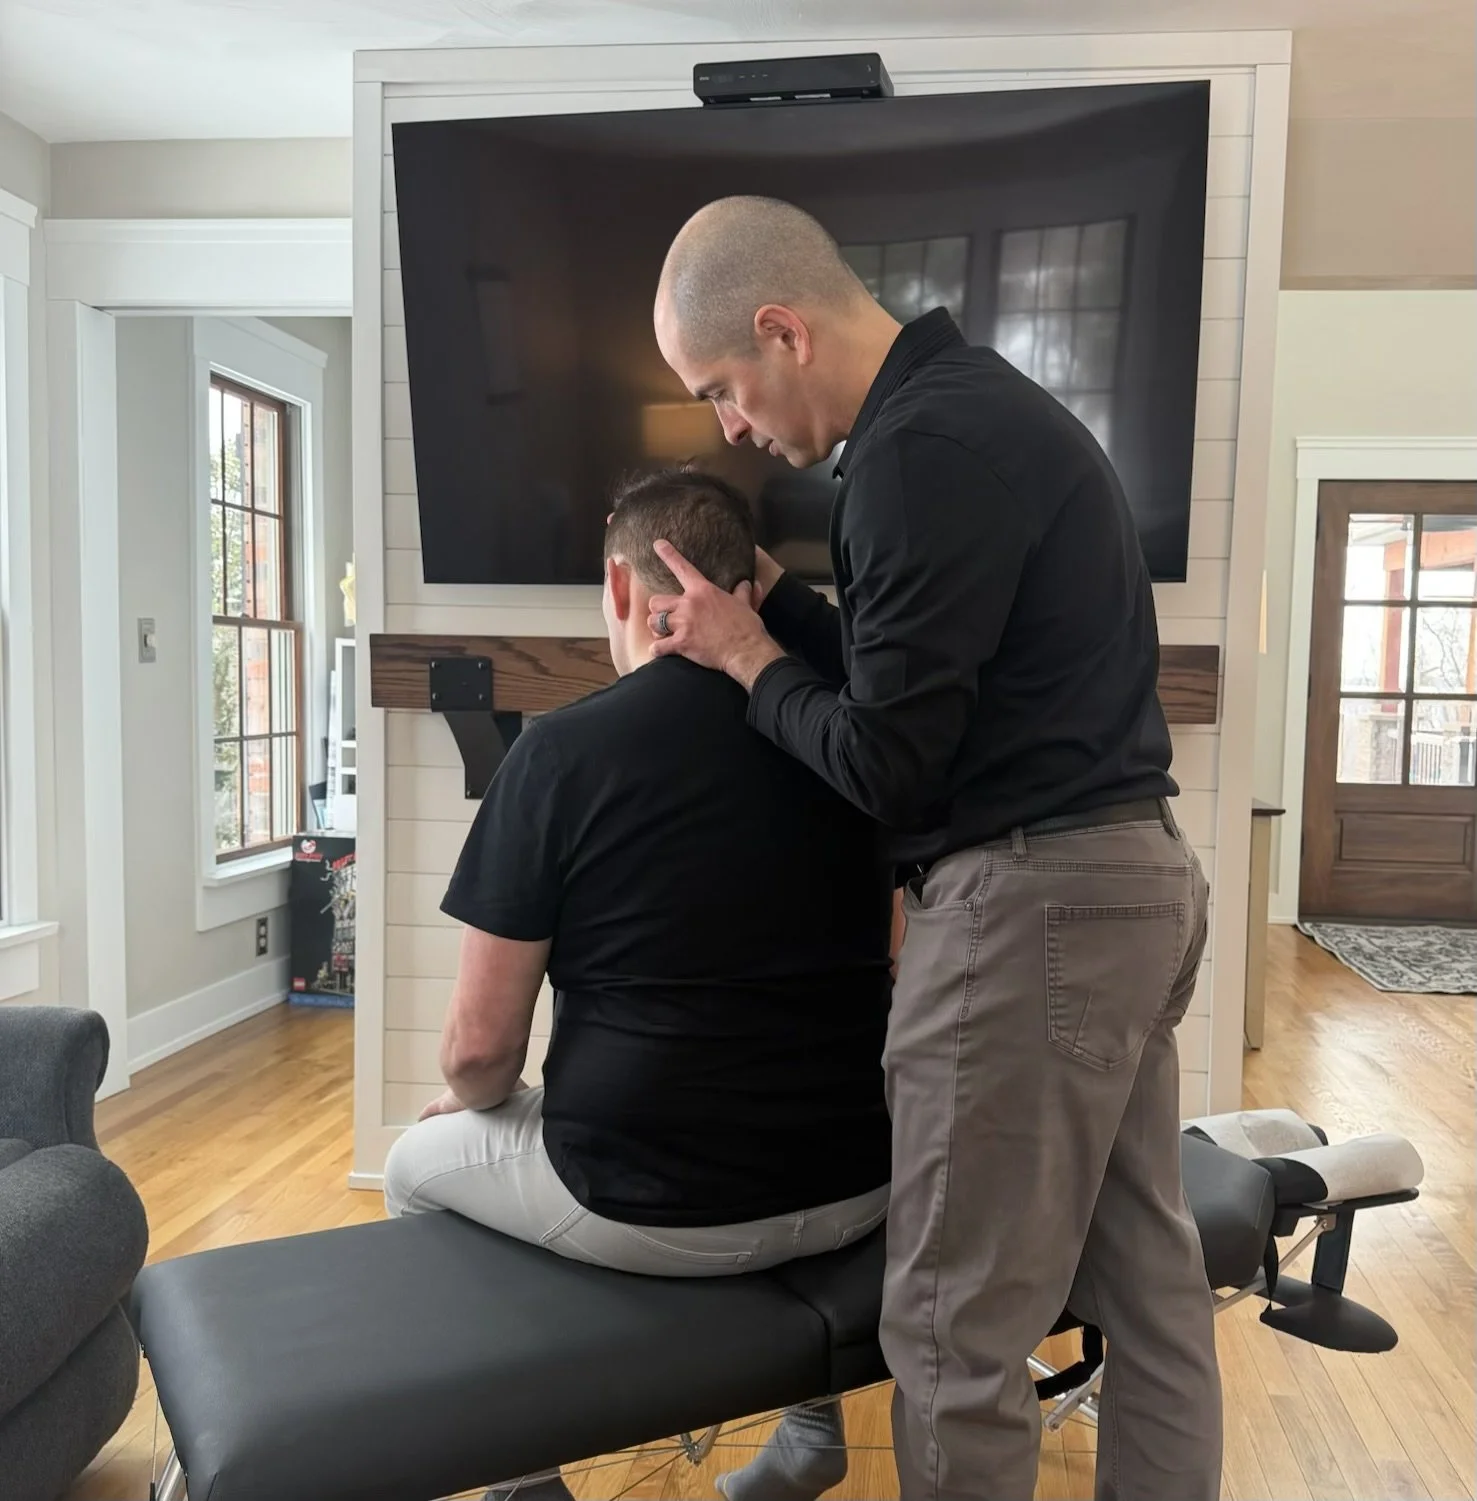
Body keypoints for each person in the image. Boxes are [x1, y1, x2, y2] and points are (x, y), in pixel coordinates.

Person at [646, 196, 1220, 1501]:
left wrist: (747, 660)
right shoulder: (981, 410)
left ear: (782, 330)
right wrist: (780, 607)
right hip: (1133, 881)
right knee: (1148, 1282)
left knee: (956, 1334)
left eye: (721, 387)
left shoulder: (913, 453)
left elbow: (888, 763)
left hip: (1032, 910)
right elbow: (934, 676)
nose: (729, 426)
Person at [383, 468, 894, 1501]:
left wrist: (477, 1104)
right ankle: (808, 1432)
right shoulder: (847, 746)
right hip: (859, 1183)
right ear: (746, 590)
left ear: (622, 588)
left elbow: (480, 1052)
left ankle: (526, 1485)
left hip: (649, 1205)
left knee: (413, 1166)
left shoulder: (558, 754)